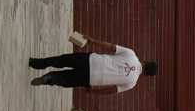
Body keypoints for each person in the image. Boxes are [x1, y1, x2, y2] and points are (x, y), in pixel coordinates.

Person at [28, 35, 157, 94]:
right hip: (93, 79)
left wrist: (92, 41)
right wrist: (94, 92)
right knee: (65, 79)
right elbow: (112, 90)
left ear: (145, 61)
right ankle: (49, 78)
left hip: (92, 60)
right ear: (146, 75)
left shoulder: (132, 55)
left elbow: (111, 47)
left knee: (62, 60)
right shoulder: (132, 83)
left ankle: (36, 63)